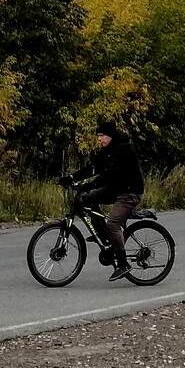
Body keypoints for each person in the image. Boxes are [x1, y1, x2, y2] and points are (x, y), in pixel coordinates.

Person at [67, 120, 144, 282]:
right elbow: (93, 168)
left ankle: (123, 264)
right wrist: (72, 178)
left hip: (130, 192)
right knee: (86, 199)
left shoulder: (123, 149)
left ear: (109, 136)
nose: (99, 139)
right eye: (98, 136)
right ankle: (102, 235)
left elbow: (112, 174)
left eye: (101, 136)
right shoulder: (107, 150)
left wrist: (91, 184)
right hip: (116, 188)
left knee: (113, 224)